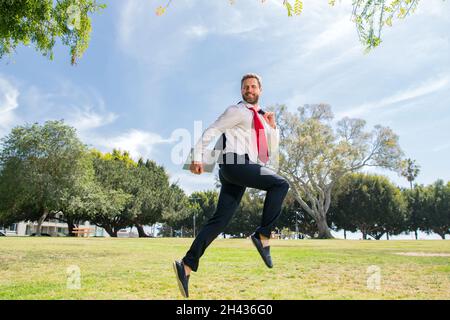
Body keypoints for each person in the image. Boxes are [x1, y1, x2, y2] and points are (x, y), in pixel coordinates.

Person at [173, 73, 290, 298]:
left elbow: (270, 149)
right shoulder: (236, 111)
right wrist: (198, 156)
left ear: (260, 90)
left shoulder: (262, 118)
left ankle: (186, 266)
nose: (249, 89)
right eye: (245, 87)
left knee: (220, 221)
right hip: (233, 163)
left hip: (239, 170)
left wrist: (273, 127)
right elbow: (213, 130)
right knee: (280, 185)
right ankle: (262, 236)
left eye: (253, 86)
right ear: (241, 90)